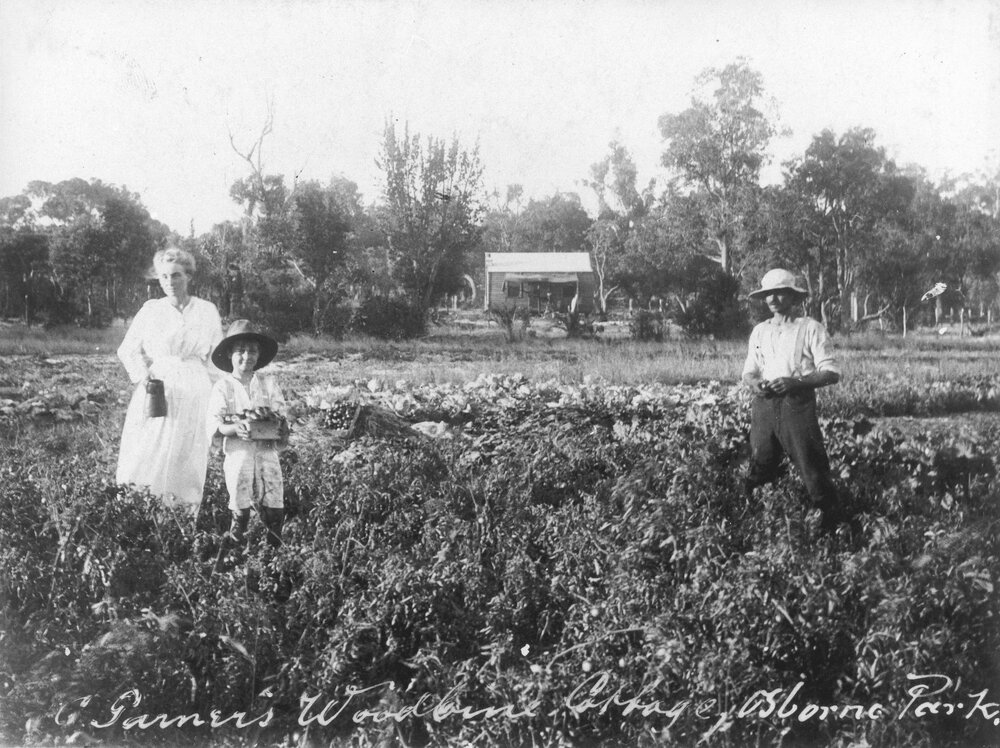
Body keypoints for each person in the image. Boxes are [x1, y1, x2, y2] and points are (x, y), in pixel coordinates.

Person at [117, 247, 223, 513]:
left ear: (188, 276)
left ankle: (184, 518)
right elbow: (127, 350)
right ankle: (140, 510)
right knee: (149, 447)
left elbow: (216, 356)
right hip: (158, 387)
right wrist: (145, 378)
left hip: (196, 386)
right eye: (163, 277)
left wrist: (212, 391)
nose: (170, 283)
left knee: (188, 452)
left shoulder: (207, 310)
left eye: (176, 276)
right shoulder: (151, 310)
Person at [741, 268, 847, 532]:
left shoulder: (810, 328)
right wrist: (756, 385)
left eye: (779, 292)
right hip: (764, 406)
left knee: (812, 467)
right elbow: (749, 372)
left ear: (792, 296)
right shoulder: (760, 332)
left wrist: (795, 382)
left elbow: (831, 373)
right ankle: (758, 523)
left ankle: (834, 528)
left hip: (796, 405)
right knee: (760, 464)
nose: (773, 299)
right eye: (768, 294)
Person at [206, 319, 289, 562]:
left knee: (274, 499)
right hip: (239, 452)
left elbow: (281, 416)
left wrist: (276, 424)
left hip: (266, 451)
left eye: (252, 350)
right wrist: (235, 427)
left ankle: (274, 555)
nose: (246, 356)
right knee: (240, 502)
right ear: (230, 354)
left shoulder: (267, 383)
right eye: (240, 350)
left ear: (259, 354)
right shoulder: (223, 386)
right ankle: (235, 554)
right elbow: (215, 423)